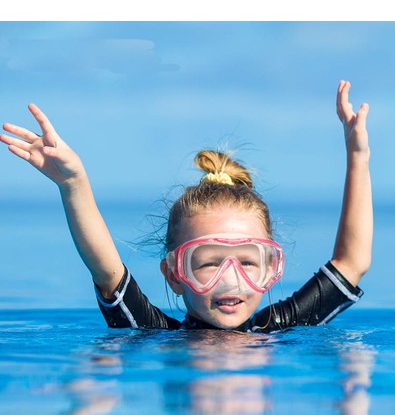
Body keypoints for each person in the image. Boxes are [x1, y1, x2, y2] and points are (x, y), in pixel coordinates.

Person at [1, 80, 372, 332]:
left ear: (270, 267)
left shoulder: (281, 328)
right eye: (208, 262)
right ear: (174, 274)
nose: (230, 277)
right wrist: (73, 183)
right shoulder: (155, 334)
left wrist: (358, 157)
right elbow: (106, 270)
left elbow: (351, 264)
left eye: (247, 261)